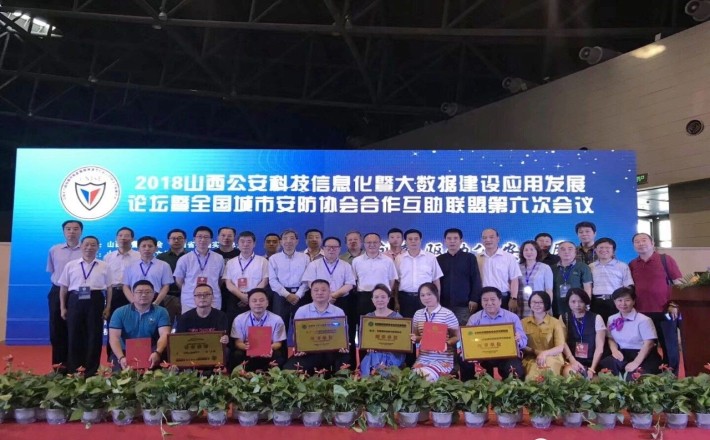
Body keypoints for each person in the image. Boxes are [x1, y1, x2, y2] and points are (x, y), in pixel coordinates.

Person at [628, 232, 683, 372]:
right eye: (637, 241)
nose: (641, 243)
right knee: (647, 347)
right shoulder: (632, 264)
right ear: (633, 246)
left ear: (652, 243)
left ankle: (671, 377)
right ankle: (652, 375)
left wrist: (674, 304)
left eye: (644, 240)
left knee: (669, 346)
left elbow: (679, 284)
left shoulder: (665, 259)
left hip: (665, 311)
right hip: (642, 314)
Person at [58, 236, 112, 376]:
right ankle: (74, 369)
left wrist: (108, 307)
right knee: (74, 335)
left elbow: (109, 288)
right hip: (75, 299)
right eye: (86, 244)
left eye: (93, 245)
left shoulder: (104, 266)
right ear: (81, 246)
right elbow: (63, 287)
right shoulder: (71, 265)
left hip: (95, 299)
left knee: (94, 335)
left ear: (98, 247)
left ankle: (91, 370)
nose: (89, 247)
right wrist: (63, 307)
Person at [282, 279, 350, 373]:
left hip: (332, 351)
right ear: (311, 293)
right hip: (309, 352)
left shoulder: (338, 311)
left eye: (323, 290)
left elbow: (343, 334)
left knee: (344, 363)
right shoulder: (302, 311)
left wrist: (343, 345)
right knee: (288, 369)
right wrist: (299, 347)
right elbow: (296, 334)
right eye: (316, 290)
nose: (320, 293)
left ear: (329, 292)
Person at [461, 287, 527, 380]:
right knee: (464, 360)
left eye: (492, 299)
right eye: (485, 300)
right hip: (482, 354)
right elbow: (466, 340)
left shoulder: (512, 317)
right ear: (481, 302)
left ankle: (511, 388)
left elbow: (524, 341)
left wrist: (518, 339)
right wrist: (468, 348)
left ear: (500, 301)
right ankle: (470, 388)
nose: (489, 303)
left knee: (516, 370)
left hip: (506, 355)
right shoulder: (474, 318)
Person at [599, 286, 662, 378]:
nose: (623, 304)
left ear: (633, 301)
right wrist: (614, 350)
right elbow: (611, 338)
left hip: (643, 354)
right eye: (619, 300)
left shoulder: (644, 320)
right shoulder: (612, 319)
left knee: (633, 377)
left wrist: (635, 362)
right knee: (605, 367)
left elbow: (649, 344)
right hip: (623, 354)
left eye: (627, 300)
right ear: (614, 302)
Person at [108, 280, 171, 371]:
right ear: (133, 294)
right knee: (118, 374)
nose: (144, 295)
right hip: (125, 351)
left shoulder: (161, 311)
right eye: (139, 292)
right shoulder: (119, 312)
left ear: (154, 294)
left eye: (148, 292)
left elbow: (165, 334)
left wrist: (157, 352)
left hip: (152, 351)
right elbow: (114, 338)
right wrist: (121, 357)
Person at [47, 219, 83, 371]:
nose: (72, 232)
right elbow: (52, 270)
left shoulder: (86, 249)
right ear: (63, 231)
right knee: (57, 329)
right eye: (68, 229)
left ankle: (77, 367)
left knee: (78, 329)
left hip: (79, 293)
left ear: (81, 231)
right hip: (57, 290)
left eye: (75, 229)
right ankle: (59, 367)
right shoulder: (54, 250)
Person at [410, 283, 459, 382]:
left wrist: (446, 343)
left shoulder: (447, 314)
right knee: (412, 378)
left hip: (443, 359)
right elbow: (416, 336)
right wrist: (414, 338)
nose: (426, 298)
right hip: (423, 358)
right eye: (422, 295)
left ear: (436, 294)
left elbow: (457, 337)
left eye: (429, 294)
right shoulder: (418, 314)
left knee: (425, 377)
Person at [230, 288, 287, 371]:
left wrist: (266, 348)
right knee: (237, 354)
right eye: (254, 301)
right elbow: (238, 343)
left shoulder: (277, 319)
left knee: (278, 355)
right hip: (248, 351)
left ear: (267, 303)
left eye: (261, 300)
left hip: (268, 352)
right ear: (249, 303)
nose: (258, 303)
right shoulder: (239, 319)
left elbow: (278, 343)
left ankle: (270, 374)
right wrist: (249, 348)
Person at [122, 236, 177, 321]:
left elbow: (166, 286)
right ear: (138, 249)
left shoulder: (164, 265)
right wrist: (133, 302)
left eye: (150, 246)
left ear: (156, 248)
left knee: (157, 326)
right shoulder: (130, 266)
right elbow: (125, 286)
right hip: (135, 299)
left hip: (156, 299)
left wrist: (156, 302)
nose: (147, 249)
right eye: (143, 246)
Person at [437, 228, 482, 325]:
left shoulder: (470, 258)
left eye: (455, 238)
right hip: (443, 304)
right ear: (444, 241)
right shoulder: (439, 259)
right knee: (444, 331)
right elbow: (436, 282)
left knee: (462, 331)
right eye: (449, 238)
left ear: (461, 241)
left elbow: (476, 279)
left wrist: (474, 299)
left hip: (464, 305)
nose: (452, 241)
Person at [268, 229, 310, 335]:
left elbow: (307, 279)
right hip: (281, 295)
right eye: (285, 238)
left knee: (302, 328)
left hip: (300, 295)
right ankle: (281, 347)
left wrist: (298, 295)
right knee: (280, 328)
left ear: (297, 241)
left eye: (292, 238)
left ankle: (300, 347)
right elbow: (272, 280)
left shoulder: (305, 258)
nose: (288, 241)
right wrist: (287, 295)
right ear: (281, 242)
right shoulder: (274, 258)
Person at [394, 229, 443, 319]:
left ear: (421, 240)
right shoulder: (399, 259)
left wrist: (437, 300)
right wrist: (396, 301)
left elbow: (436, 281)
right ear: (405, 241)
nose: (413, 241)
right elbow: (396, 282)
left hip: (426, 298)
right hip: (405, 299)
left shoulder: (430, 257)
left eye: (416, 239)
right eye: (410, 239)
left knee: (425, 324)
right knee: (407, 324)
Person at [359, 284, 406, 377]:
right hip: (373, 353)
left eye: (383, 297)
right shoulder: (368, 317)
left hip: (393, 354)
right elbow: (363, 340)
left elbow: (402, 342)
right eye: (376, 297)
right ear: (372, 300)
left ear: (388, 299)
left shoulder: (397, 317)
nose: (379, 300)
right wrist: (367, 345)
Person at [174, 226, 224, 313]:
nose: (203, 240)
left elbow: (221, 279)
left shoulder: (219, 258)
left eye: (206, 237)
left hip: (213, 300)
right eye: (199, 237)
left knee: (213, 321)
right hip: (190, 300)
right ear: (194, 239)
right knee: (189, 321)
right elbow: (179, 280)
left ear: (211, 240)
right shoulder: (184, 259)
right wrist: (189, 289)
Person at [560, 288, 606, 378]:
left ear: (585, 302)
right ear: (568, 302)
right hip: (573, 361)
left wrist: (592, 369)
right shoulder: (564, 318)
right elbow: (562, 342)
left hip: (593, 362)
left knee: (593, 381)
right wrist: (573, 361)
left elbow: (600, 347)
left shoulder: (596, 318)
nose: (577, 305)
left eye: (580, 301)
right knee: (570, 373)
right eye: (573, 302)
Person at [352, 232, 398, 320]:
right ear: (364, 244)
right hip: (364, 297)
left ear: (380, 243)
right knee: (364, 323)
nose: (372, 245)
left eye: (375, 242)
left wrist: (384, 293)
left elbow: (392, 280)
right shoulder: (356, 261)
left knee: (384, 323)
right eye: (369, 242)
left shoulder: (388, 260)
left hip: (383, 297)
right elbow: (354, 280)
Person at [224, 231, 269, 320]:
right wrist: (241, 296)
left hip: (256, 299)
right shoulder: (231, 262)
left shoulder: (263, 261)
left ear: (254, 244)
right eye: (242, 241)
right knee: (234, 324)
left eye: (249, 241)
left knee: (256, 324)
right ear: (237, 244)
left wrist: (250, 296)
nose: (245, 244)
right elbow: (228, 283)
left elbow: (265, 281)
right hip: (235, 298)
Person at [521, 291, 566, 379]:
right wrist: (535, 352)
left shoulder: (555, 322)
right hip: (531, 358)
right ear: (530, 303)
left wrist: (544, 353)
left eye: (540, 302)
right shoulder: (523, 322)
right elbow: (521, 345)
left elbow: (560, 347)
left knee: (547, 373)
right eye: (534, 302)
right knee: (532, 377)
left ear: (546, 303)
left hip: (553, 357)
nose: (537, 305)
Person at [589, 237, 634, 322]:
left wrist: (624, 302)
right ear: (595, 250)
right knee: (598, 327)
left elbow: (628, 286)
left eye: (607, 248)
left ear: (613, 251)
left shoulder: (622, 266)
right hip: (595, 303)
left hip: (616, 302)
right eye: (601, 247)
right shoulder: (590, 267)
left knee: (616, 327)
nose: (604, 250)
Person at [478, 228, 522, 313]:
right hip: (483, 298)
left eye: (491, 237)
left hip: (503, 297)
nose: (488, 240)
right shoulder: (477, 258)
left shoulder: (508, 257)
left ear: (498, 239)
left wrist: (513, 298)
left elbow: (514, 279)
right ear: (481, 240)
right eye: (484, 238)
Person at [104, 227, 141, 322]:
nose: (123, 238)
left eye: (126, 236)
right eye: (120, 235)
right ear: (116, 238)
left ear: (132, 239)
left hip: (133, 292)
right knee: (113, 322)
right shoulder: (108, 257)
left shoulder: (139, 256)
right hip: (114, 293)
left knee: (133, 322)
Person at [552, 241, 592, 317]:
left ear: (575, 252)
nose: (566, 252)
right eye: (563, 249)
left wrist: (586, 304)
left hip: (577, 307)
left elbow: (587, 287)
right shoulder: (552, 268)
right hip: (557, 307)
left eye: (570, 249)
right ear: (558, 253)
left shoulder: (583, 267)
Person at [518, 240, 553, 317]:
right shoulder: (517, 267)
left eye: (532, 249)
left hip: (539, 304)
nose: (529, 252)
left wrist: (547, 305)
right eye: (526, 250)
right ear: (522, 252)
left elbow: (549, 290)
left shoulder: (545, 267)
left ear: (537, 251)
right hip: (521, 305)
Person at [157, 228, 187, 302]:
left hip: (188, 294)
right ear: (168, 241)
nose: (176, 240)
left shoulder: (191, 257)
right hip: (166, 295)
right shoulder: (161, 257)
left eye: (179, 238)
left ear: (185, 240)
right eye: (173, 238)